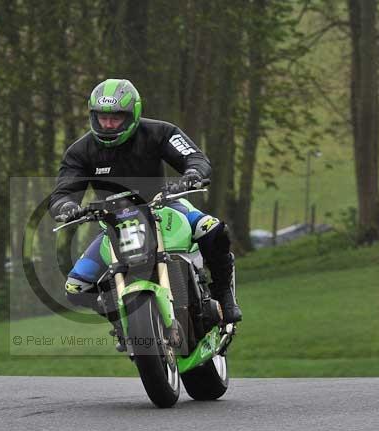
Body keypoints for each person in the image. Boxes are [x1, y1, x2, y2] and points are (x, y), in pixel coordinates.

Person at [48, 78, 242, 324]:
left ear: (133, 114)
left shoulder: (161, 132)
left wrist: (192, 174)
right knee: (75, 287)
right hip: (113, 225)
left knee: (212, 229)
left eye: (115, 118)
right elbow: (62, 193)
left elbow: (194, 157)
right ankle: (123, 325)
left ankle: (224, 295)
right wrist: (67, 208)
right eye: (101, 117)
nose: (107, 124)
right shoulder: (79, 151)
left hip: (166, 206)